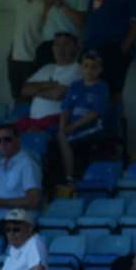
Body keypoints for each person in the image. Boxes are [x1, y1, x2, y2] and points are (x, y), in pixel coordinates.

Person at [0, 123, 44, 234]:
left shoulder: (27, 164)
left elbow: (34, 201)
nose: (2, 144)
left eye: (7, 139)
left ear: (18, 140)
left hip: (18, 222)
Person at [55, 50, 112, 189]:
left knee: (63, 138)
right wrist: (63, 127)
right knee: (59, 135)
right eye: (86, 66)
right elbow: (66, 109)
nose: (89, 70)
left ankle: (69, 178)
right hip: (72, 128)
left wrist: (70, 128)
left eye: (93, 66)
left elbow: (94, 114)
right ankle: (65, 179)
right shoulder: (75, 86)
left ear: (100, 69)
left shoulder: (102, 87)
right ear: (81, 68)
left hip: (93, 127)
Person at [16, 32, 82, 134]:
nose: (60, 49)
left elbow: (57, 94)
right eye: (57, 45)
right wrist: (48, 85)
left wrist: (35, 91)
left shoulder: (78, 69)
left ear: (76, 48)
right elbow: (24, 90)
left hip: (55, 125)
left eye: (66, 45)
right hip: (33, 122)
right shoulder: (47, 68)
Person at [6, 0, 54, 100]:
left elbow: (46, 26)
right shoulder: (20, 3)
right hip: (14, 58)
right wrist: (11, 53)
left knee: (31, 98)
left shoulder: (45, 3)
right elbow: (18, 29)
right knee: (16, 96)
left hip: (32, 59)